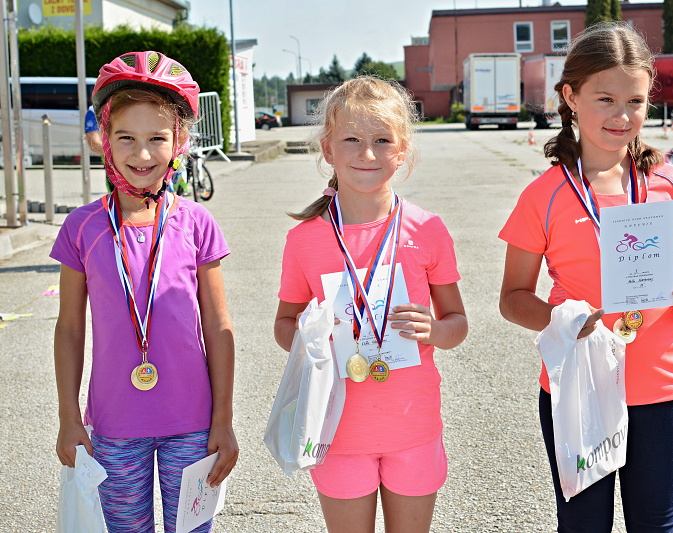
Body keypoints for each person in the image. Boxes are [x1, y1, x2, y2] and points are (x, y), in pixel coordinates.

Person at [498, 23, 673, 532]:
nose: (622, 115)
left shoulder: (669, 182)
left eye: (635, 101)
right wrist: (563, 320)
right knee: (583, 523)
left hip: (661, 387)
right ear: (571, 97)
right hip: (579, 386)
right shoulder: (544, 195)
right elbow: (512, 297)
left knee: (658, 522)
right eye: (606, 99)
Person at [52, 51, 238, 533]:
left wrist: (223, 420)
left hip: (193, 426)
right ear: (104, 140)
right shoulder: (82, 227)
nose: (142, 154)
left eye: (157, 138)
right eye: (126, 138)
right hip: (114, 429)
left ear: (179, 141)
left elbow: (218, 326)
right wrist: (69, 417)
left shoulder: (196, 223)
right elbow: (69, 328)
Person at [274, 76, 468, 533]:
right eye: (352, 140)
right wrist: (310, 337)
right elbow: (283, 324)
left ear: (402, 151)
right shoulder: (304, 240)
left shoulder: (427, 229)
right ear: (328, 149)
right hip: (337, 430)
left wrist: (435, 330)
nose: (367, 153)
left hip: (413, 427)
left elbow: (457, 323)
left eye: (382, 140)